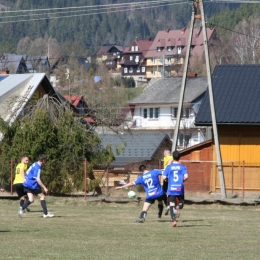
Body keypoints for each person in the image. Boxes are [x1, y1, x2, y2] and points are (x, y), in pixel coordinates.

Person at [163, 150, 188, 227]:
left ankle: (174, 220)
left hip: (171, 188)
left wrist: (167, 179)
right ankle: (178, 208)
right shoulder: (183, 166)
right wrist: (182, 180)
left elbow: (164, 177)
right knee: (181, 204)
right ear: (179, 157)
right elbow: (186, 176)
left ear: (173, 157)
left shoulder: (169, 167)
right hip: (180, 188)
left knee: (171, 204)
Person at [163, 149, 173, 215]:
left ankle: (168, 205)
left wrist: (165, 171)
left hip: (168, 177)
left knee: (165, 192)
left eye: (164, 153)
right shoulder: (165, 158)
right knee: (166, 192)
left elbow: (169, 163)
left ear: (166, 153)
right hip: (167, 177)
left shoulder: (170, 157)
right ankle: (168, 205)